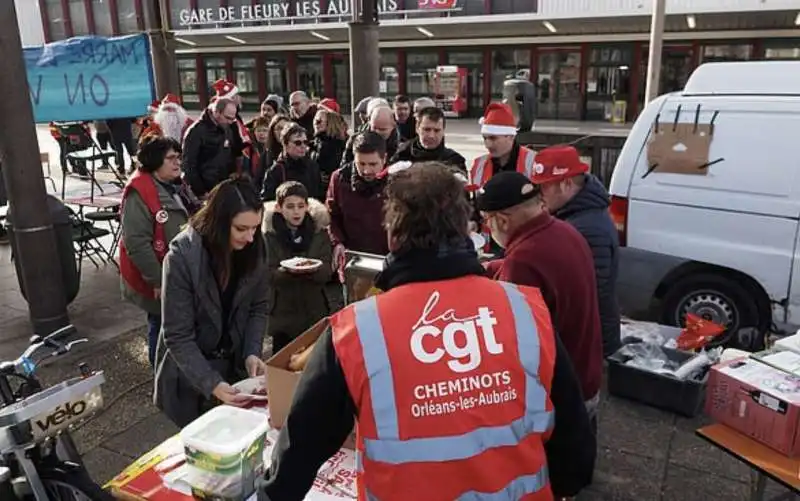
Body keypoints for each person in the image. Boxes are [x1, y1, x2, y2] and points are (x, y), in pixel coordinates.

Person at [257, 162, 596, 501]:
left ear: (393, 235)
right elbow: (575, 452)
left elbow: (302, 444)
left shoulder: (356, 331)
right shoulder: (526, 311)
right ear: (466, 230)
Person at [477, 171, 604, 431]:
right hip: (587, 374)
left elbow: (511, 342)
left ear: (501, 220)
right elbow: (546, 268)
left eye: (487, 222)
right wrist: (490, 267)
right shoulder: (567, 231)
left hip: (559, 392)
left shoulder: (523, 261)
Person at [154, 177, 269, 427]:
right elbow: (177, 336)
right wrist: (212, 383)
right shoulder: (182, 257)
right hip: (190, 373)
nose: (250, 237)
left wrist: (252, 352)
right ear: (219, 221)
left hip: (234, 364)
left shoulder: (256, 248)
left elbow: (258, 307)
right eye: (241, 229)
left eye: (255, 228)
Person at [532, 146, 622, 358]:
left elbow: (585, 297)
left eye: (542, 188)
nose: (538, 196)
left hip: (589, 343)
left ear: (565, 184)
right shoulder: (571, 214)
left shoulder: (588, 229)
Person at [119, 135, 200, 367]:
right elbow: (136, 242)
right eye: (171, 158)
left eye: (179, 157)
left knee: (177, 322)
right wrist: (158, 280)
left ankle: (180, 369)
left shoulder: (177, 185)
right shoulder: (139, 191)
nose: (178, 163)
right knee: (160, 323)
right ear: (155, 161)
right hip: (160, 273)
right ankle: (161, 373)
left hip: (181, 267)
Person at [263, 181, 332, 353]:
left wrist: (311, 270)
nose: (296, 211)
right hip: (282, 314)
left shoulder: (319, 232)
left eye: (301, 206)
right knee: (283, 363)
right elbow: (267, 273)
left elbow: (327, 270)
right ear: (279, 208)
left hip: (314, 310)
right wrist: (286, 272)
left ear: (307, 207)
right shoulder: (269, 236)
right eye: (290, 206)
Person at [327, 131, 390, 261]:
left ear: (384, 159)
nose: (366, 171)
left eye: (373, 164)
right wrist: (337, 242)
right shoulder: (339, 179)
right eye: (361, 164)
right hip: (352, 257)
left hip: (388, 258)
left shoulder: (397, 180)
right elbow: (332, 216)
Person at [183, 97, 239, 199]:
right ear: (216, 112)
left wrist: (232, 171)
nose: (231, 122)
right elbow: (189, 164)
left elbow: (229, 154)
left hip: (223, 187)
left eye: (233, 118)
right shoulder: (196, 131)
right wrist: (200, 191)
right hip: (205, 191)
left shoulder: (227, 129)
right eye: (228, 118)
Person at [470, 102, 536, 187]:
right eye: (484, 138)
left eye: (493, 138)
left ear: (511, 137)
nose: (487, 145)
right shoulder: (479, 165)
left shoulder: (533, 162)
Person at [390, 106, 466, 173]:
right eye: (427, 129)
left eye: (437, 130)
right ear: (417, 128)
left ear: (443, 131)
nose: (431, 136)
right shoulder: (402, 155)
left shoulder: (454, 161)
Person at [262, 123, 322, 202]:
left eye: (305, 142)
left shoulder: (313, 166)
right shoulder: (275, 171)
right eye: (298, 143)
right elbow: (267, 202)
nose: (303, 146)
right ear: (285, 145)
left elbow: (319, 196)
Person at [310, 108, 348, 194]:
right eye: (315, 121)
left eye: (319, 121)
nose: (315, 124)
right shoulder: (317, 142)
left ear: (330, 124)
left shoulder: (329, 146)